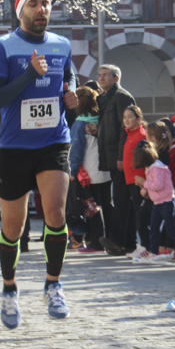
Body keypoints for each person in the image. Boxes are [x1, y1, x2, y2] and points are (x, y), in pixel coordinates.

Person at [0, 0, 78, 329]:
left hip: (53, 142)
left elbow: (67, 87)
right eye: (34, 4)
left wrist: (72, 102)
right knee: (13, 226)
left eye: (47, 3)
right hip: (14, 146)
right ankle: (9, 290)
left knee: (55, 212)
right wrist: (28, 74)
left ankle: (53, 284)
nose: (42, 10)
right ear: (20, 9)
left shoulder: (62, 45)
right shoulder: (3, 47)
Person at [93, 64, 135, 255]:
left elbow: (126, 129)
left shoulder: (121, 96)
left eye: (106, 75)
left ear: (116, 78)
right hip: (110, 156)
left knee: (122, 200)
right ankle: (122, 241)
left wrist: (121, 156)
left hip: (121, 158)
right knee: (118, 198)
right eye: (99, 75)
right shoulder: (103, 99)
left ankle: (120, 241)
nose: (101, 78)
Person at [133, 140, 175, 263]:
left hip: (167, 202)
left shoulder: (156, 167)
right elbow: (153, 185)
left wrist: (143, 182)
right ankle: (154, 252)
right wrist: (144, 188)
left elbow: (158, 185)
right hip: (158, 202)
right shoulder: (150, 168)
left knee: (171, 229)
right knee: (154, 228)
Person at [68, 85, 109, 252]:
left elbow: (76, 151)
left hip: (89, 172)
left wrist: (72, 171)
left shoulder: (80, 124)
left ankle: (95, 242)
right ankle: (107, 238)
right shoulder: (101, 120)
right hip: (105, 170)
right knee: (105, 206)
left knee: (91, 208)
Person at [121, 105, 150, 257]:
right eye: (125, 117)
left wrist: (144, 180)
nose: (126, 120)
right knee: (138, 213)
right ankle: (144, 245)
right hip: (131, 180)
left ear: (138, 119)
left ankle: (147, 246)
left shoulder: (141, 135)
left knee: (142, 215)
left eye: (130, 117)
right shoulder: (130, 134)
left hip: (139, 181)